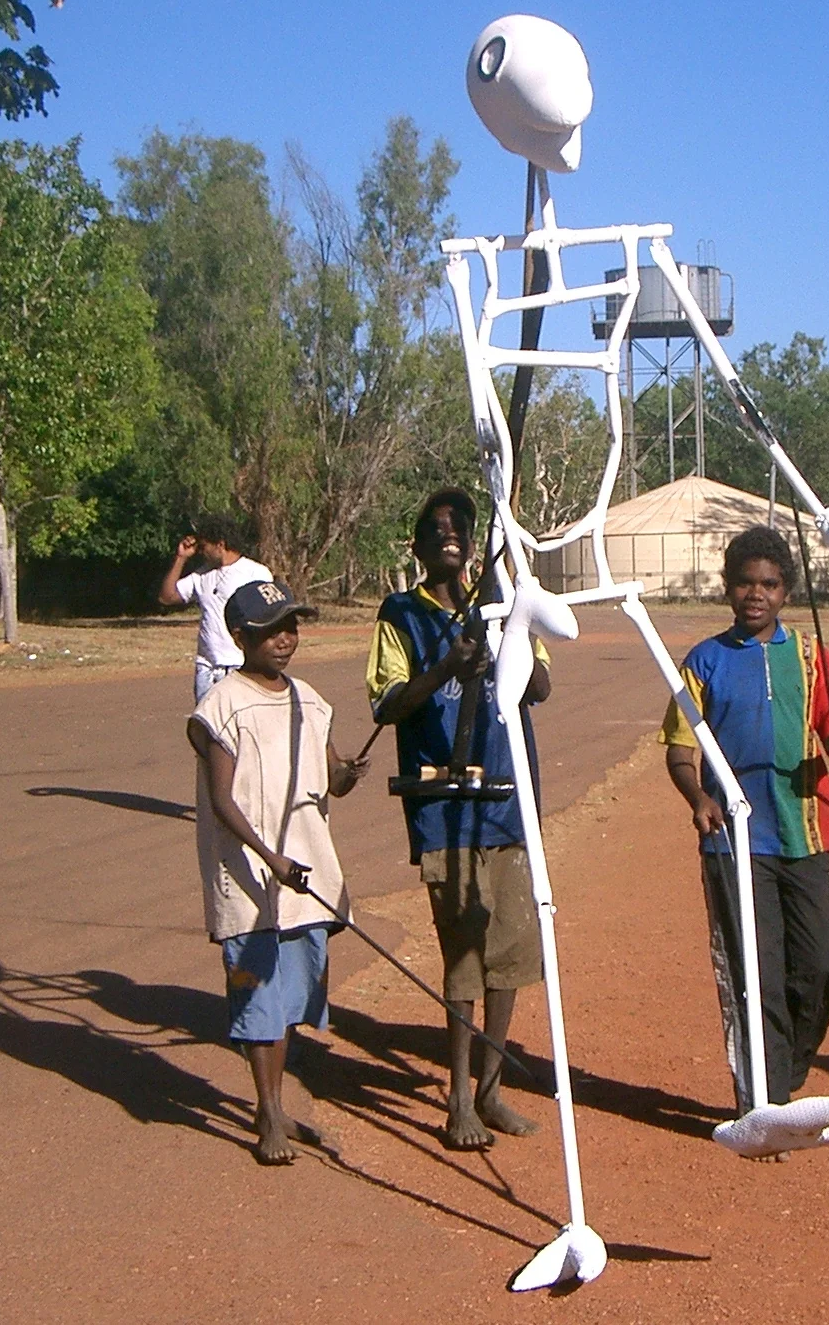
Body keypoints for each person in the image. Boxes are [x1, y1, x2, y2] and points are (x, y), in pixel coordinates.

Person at [368, 488, 549, 1151]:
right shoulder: (401, 615)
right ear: (417, 546)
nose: (450, 534)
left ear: (474, 545)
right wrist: (446, 665)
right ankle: (457, 1098)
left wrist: (507, 633)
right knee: (463, 953)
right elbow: (387, 704)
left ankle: (490, 1089)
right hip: (444, 809)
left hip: (507, 802)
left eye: (461, 528)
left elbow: (540, 687)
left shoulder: (502, 606)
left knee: (509, 953)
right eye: (436, 527)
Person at [661, 525, 829, 1124]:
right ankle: (763, 1106)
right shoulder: (703, 661)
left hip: (804, 832)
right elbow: (679, 750)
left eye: (769, 584)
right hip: (735, 840)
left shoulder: (812, 658)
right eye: (745, 583)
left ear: (786, 591)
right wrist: (698, 797)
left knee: (822, 962)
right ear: (728, 588)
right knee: (756, 971)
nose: (756, 595)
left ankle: (786, 1069)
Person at [188, 580, 369, 1165]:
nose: (286, 639)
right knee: (258, 998)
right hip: (250, 878)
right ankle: (268, 1111)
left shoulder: (311, 701)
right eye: (271, 631)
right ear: (240, 637)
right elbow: (222, 799)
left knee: (290, 997)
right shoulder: (222, 705)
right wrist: (271, 859)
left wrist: (348, 774)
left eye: (292, 626)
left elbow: (331, 778)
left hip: (304, 876)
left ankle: (275, 1106)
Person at [160, 517, 275, 702]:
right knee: (207, 720)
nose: (201, 552)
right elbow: (167, 597)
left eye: (204, 546)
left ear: (220, 545)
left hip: (240, 665)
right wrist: (181, 558)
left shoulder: (255, 573)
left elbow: (267, 616)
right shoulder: (201, 575)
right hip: (207, 667)